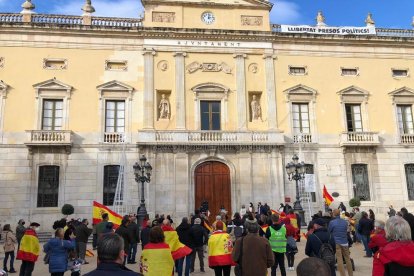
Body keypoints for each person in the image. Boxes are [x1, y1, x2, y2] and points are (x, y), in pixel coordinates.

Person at [328, 209, 353, 276]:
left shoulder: (332, 222)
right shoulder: (344, 222)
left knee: (339, 259)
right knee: (347, 258)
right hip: (344, 241)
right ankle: (351, 274)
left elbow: (329, 231)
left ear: (333, 214)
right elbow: (347, 230)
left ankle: (343, 274)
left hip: (336, 242)